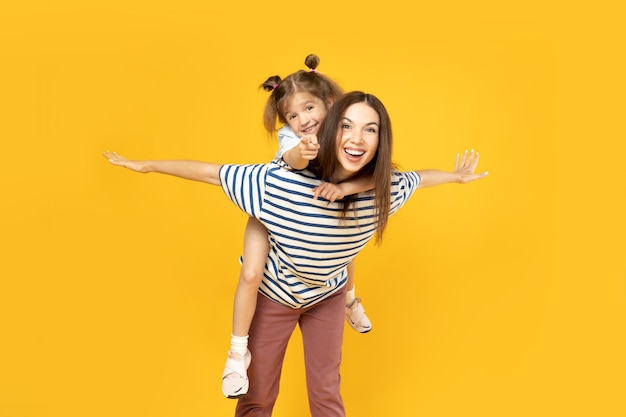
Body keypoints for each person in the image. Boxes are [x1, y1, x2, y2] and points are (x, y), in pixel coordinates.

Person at [103, 90, 488, 417]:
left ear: (380, 140)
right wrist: (147, 165)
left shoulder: (387, 190)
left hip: (328, 296)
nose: (357, 138)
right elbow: (209, 172)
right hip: (276, 296)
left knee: (326, 393)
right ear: (329, 129)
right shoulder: (279, 181)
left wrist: (455, 176)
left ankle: (352, 301)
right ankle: (238, 356)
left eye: (370, 129)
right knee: (257, 395)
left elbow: (420, 178)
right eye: (347, 126)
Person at [224, 54, 374, 398]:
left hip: (320, 215)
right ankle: (235, 355)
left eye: (308, 109)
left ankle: (350, 299)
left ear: (330, 104)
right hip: (275, 205)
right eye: (292, 115)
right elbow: (293, 159)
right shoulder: (292, 141)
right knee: (251, 273)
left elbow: (375, 174)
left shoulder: (344, 131)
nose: (302, 120)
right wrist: (304, 151)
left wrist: (344, 186)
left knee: (344, 239)